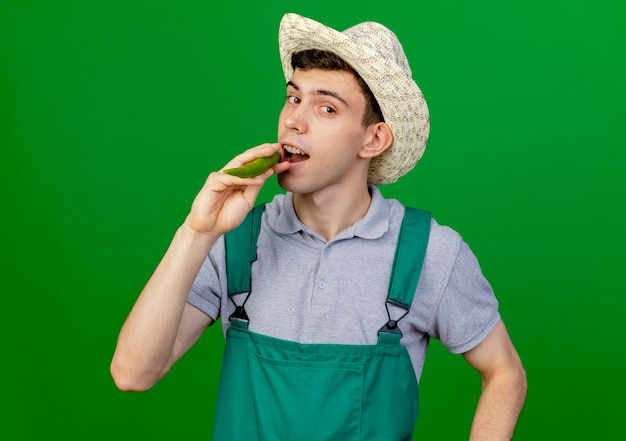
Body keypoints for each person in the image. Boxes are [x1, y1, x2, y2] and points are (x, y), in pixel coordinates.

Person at [111, 12, 527, 440]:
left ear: (374, 139)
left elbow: (505, 372)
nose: (295, 120)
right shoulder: (234, 240)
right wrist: (197, 232)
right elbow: (132, 373)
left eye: (327, 107)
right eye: (294, 98)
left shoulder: (428, 251)